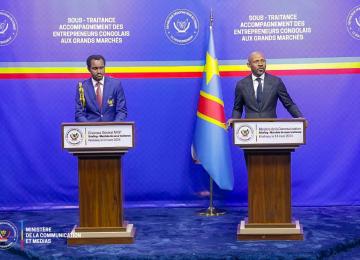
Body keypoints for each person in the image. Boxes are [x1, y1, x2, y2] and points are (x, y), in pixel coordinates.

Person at [232, 51, 303, 119]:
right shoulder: (241, 84)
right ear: (248, 65)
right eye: (256, 61)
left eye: (262, 61)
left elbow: (289, 104)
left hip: (270, 127)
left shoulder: (276, 82)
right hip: (251, 128)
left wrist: (300, 117)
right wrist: (234, 120)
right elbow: (237, 109)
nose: (260, 64)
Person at [75, 55, 127, 122]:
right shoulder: (82, 87)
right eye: (95, 68)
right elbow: (79, 114)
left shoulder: (116, 84)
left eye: (101, 68)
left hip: (112, 130)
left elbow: (122, 111)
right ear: (88, 69)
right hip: (90, 130)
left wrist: (114, 127)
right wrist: (89, 129)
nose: (99, 71)